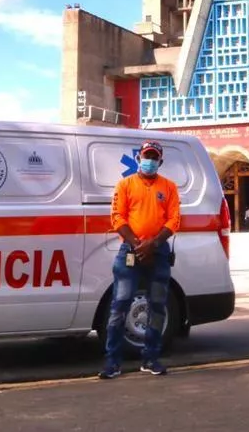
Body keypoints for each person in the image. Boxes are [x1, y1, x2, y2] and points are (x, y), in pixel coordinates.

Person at [99, 140, 181, 379]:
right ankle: (112, 362)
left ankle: (151, 358)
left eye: (154, 157)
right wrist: (137, 245)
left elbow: (174, 220)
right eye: (147, 156)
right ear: (139, 158)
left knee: (157, 306)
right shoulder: (124, 185)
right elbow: (117, 217)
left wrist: (153, 244)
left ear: (161, 162)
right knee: (120, 304)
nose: (150, 161)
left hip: (159, 252)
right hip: (130, 252)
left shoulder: (169, 187)